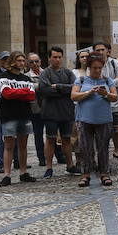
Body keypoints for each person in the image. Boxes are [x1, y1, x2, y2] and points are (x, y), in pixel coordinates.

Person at [71, 53, 117, 187]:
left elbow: (115, 97)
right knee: (85, 148)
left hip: (104, 119)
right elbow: (73, 96)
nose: (97, 70)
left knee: (103, 147)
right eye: (94, 68)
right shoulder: (81, 80)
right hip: (84, 119)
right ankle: (85, 174)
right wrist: (88, 93)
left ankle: (104, 173)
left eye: (99, 68)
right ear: (89, 67)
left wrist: (106, 94)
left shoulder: (108, 81)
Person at [0, 51, 37, 186]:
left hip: (24, 114)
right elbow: (6, 94)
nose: (22, 63)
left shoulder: (26, 79)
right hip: (8, 115)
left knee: (23, 145)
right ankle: (7, 174)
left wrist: (17, 93)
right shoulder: (3, 77)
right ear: (13, 61)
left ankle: (23, 172)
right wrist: (23, 93)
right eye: (19, 60)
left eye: (23, 61)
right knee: (9, 146)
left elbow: (31, 96)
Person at [38, 47, 79, 178]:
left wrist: (59, 87)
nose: (57, 59)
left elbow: (75, 87)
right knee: (50, 139)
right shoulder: (45, 73)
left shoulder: (68, 72)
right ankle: (49, 168)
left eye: (59, 57)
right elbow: (45, 90)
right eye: (54, 57)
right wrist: (64, 91)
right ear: (49, 58)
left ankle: (70, 165)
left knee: (67, 139)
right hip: (50, 112)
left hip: (66, 111)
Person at [94, 42, 118, 167]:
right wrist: (112, 83)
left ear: (108, 51)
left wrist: (107, 83)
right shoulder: (93, 65)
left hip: (115, 105)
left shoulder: (114, 63)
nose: (100, 52)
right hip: (99, 106)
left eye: (102, 49)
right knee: (101, 137)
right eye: (97, 50)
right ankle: (103, 164)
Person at [0, 51, 19, 174]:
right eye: (4, 59)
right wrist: (16, 94)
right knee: (4, 137)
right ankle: (1, 163)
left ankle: (18, 160)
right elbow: (0, 93)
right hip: (4, 109)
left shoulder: (15, 74)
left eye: (8, 59)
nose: (6, 61)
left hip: (18, 108)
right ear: (0, 61)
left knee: (19, 135)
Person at [25, 53, 47, 166]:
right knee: (38, 135)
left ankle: (58, 155)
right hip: (35, 108)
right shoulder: (26, 76)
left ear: (40, 61)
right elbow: (29, 88)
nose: (34, 64)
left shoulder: (47, 73)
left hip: (49, 107)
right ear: (28, 63)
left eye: (36, 61)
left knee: (52, 133)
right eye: (31, 62)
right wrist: (43, 86)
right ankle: (41, 158)